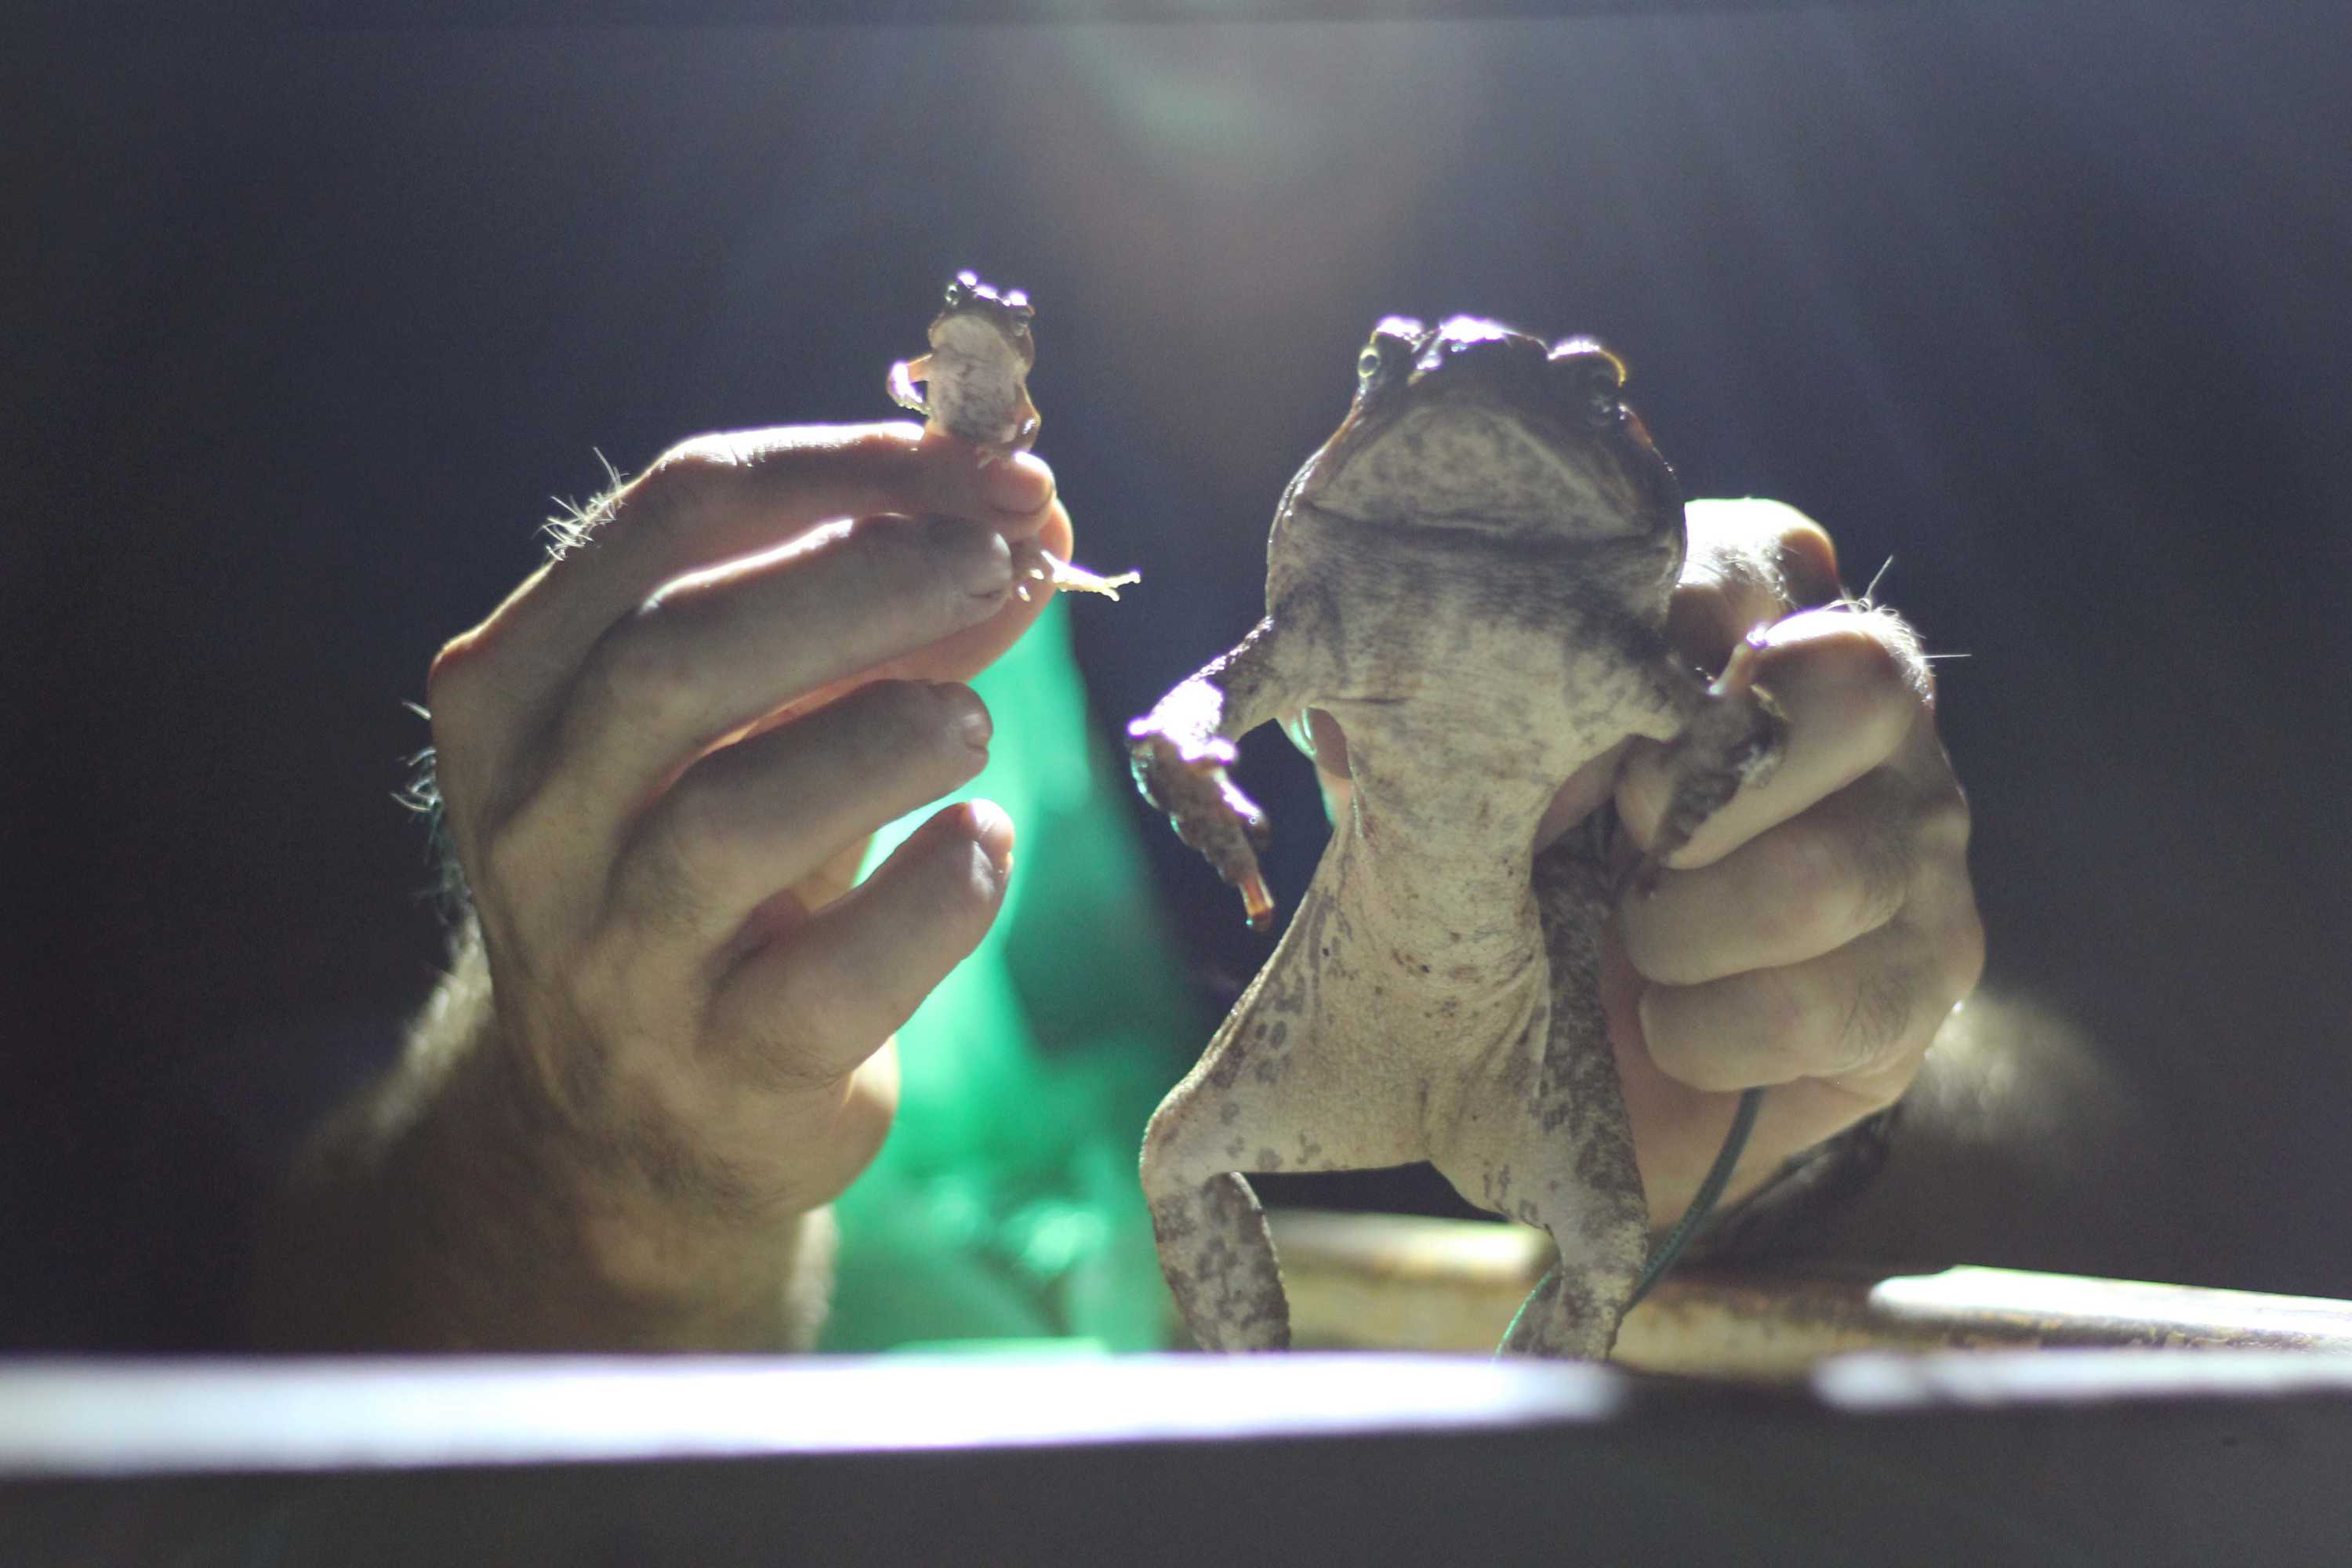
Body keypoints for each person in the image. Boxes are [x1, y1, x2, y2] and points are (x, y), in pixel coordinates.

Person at [251, 422, 1983, 1352]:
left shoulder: (1781, 237)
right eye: (1398, 380)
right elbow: (197, 1253)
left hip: (1557, 1117)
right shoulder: (645, 271)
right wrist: (577, 1163)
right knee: (1189, 1158)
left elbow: (2098, 1092)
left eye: (1565, 386)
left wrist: (1812, 1007)